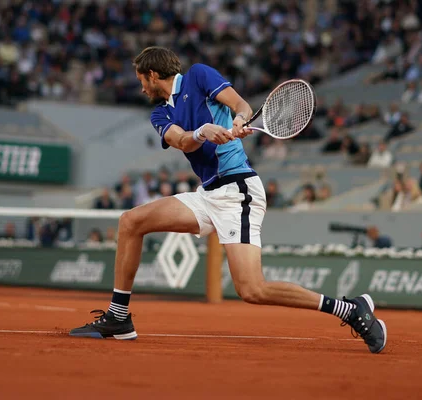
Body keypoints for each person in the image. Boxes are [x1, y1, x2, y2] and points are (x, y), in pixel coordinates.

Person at [69, 47, 387, 354]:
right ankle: (119, 317)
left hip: (238, 192)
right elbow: (180, 140)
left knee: (252, 290)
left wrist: (238, 120)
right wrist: (202, 132)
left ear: (153, 75)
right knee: (131, 222)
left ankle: (348, 309)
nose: (141, 88)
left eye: (141, 80)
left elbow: (242, 106)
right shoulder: (160, 111)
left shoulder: (198, 75)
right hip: (207, 195)